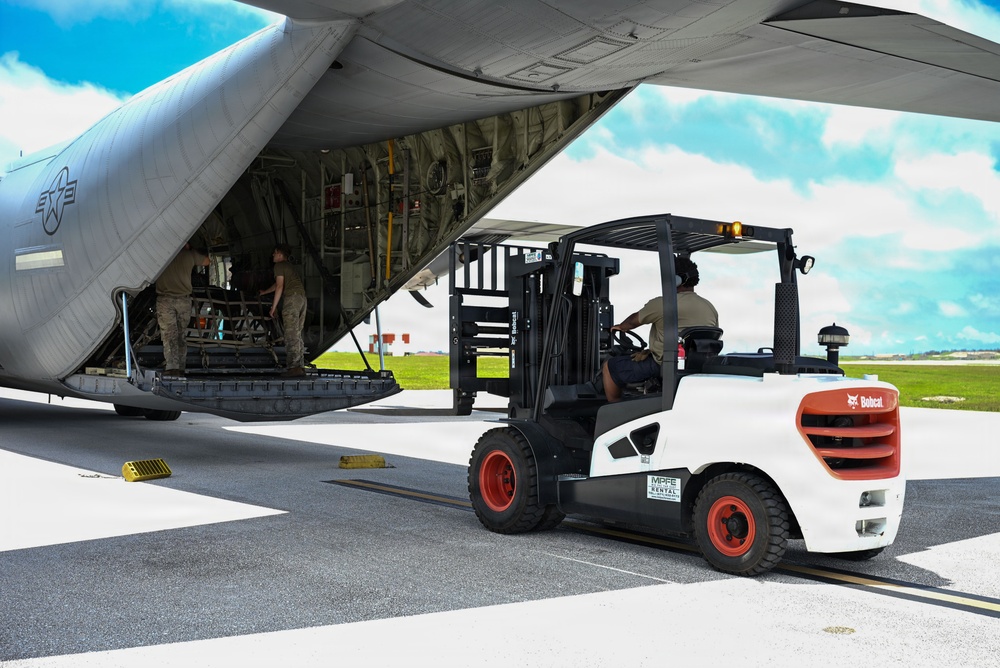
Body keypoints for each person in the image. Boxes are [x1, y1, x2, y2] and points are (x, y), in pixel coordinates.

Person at [601, 256, 718, 402]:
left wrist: (619, 327)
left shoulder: (664, 303)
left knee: (611, 367)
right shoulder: (709, 307)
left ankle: (614, 409)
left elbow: (631, 323)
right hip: (696, 365)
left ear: (675, 280)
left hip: (663, 364)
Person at [156, 243, 210, 376]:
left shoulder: (161, 254)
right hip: (184, 301)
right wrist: (192, 250)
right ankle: (180, 367)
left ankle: (171, 367)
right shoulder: (190, 255)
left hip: (165, 301)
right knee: (181, 334)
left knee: (169, 335)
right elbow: (207, 261)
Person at [260, 243, 307, 377]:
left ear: (280, 254)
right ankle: (300, 366)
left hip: (292, 300)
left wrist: (273, 308)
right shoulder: (288, 267)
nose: (273, 255)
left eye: (275, 253)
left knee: (291, 333)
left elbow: (280, 287)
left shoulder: (279, 266)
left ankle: (293, 367)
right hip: (302, 299)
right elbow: (277, 285)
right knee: (297, 333)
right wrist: (264, 292)